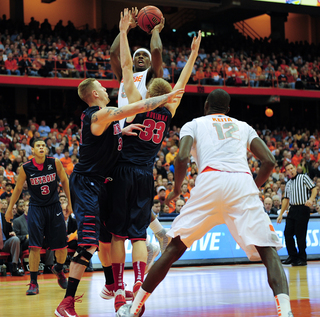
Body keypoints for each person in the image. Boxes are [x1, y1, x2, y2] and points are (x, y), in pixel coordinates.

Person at [117, 89, 293, 317]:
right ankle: (286, 312)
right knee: (269, 252)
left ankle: (134, 308)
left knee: (173, 249)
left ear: (206, 104)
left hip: (210, 181)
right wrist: (252, 187)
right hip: (241, 181)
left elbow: (181, 158)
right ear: (228, 110)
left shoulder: (194, 124)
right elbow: (269, 161)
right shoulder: (243, 126)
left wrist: (177, 189)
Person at [54, 78, 183, 317]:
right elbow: (135, 108)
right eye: (101, 87)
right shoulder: (98, 114)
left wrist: (121, 131)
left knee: (104, 236)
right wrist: (167, 98)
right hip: (86, 183)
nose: (105, 89)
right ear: (94, 93)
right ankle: (67, 302)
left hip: (102, 182)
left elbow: (104, 136)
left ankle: (111, 284)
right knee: (90, 242)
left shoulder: (106, 120)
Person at [103, 9, 199, 313]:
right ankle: (138, 282)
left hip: (122, 170)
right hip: (146, 174)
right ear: (169, 94)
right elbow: (182, 82)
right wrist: (192, 56)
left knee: (118, 233)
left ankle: (119, 289)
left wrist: (124, 31)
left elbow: (127, 64)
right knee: (137, 234)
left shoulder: (136, 104)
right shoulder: (169, 112)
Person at [5, 138, 72, 295]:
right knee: (34, 246)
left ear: (46, 150)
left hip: (54, 206)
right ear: (32, 150)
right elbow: (18, 188)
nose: (41, 147)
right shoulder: (26, 168)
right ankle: (33, 283)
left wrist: (69, 202)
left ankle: (59, 269)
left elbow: (65, 181)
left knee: (62, 246)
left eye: (43, 145)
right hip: (36, 208)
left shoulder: (55, 163)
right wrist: (10, 208)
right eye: (38, 145)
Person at [110, 8, 164, 128]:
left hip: (139, 127)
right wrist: (126, 28)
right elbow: (113, 52)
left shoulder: (152, 75)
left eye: (145, 56)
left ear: (150, 62)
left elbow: (155, 50)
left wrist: (155, 31)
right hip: (122, 128)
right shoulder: (125, 76)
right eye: (137, 55)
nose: (140, 57)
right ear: (132, 61)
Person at [277, 163, 317, 266]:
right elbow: (286, 200)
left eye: (292, 168)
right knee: (287, 233)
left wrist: (311, 199)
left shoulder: (303, 177)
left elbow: (314, 189)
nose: (291, 170)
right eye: (288, 169)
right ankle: (293, 257)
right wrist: (281, 214)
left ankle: (302, 258)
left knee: (300, 234)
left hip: (302, 208)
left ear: (295, 168)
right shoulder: (288, 183)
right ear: (287, 172)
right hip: (292, 209)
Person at [12, 200, 54, 274]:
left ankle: (48, 266)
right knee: (32, 240)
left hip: (38, 240)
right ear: (24, 207)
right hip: (26, 243)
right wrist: (26, 236)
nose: (30, 207)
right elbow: (16, 236)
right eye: (28, 205)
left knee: (50, 240)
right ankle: (34, 268)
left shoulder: (39, 219)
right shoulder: (17, 221)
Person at [0, 201, 24, 276]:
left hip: (4, 242)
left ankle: (14, 268)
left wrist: (12, 232)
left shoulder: (5, 216)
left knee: (15, 239)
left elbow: (9, 230)